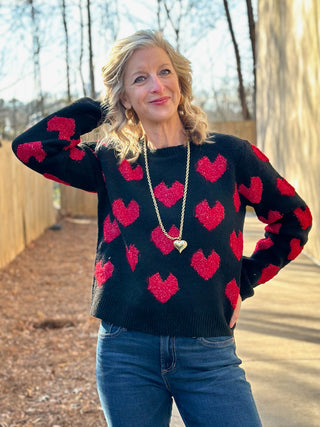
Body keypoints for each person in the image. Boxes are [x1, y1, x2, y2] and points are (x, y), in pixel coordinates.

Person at [12, 30, 312, 427]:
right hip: (125, 352)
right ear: (124, 95)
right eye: (140, 79)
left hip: (208, 351)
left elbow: (294, 220)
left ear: (180, 80)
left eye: (164, 71)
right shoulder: (110, 162)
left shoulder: (231, 155)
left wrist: (246, 276)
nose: (157, 86)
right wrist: (103, 107)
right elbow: (32, 148)